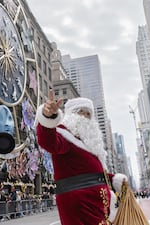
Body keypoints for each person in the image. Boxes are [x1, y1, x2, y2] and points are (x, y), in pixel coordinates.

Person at [36, 90, 127, 225]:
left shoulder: (91, 144)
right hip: (79, 203)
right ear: (70, 115)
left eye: (88, 114)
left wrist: (114, 179)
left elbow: (93, 172)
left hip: (100, 203)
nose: (84, 116)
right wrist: (48, 117)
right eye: (80, 112)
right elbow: (48, 141)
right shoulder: (63, 133)